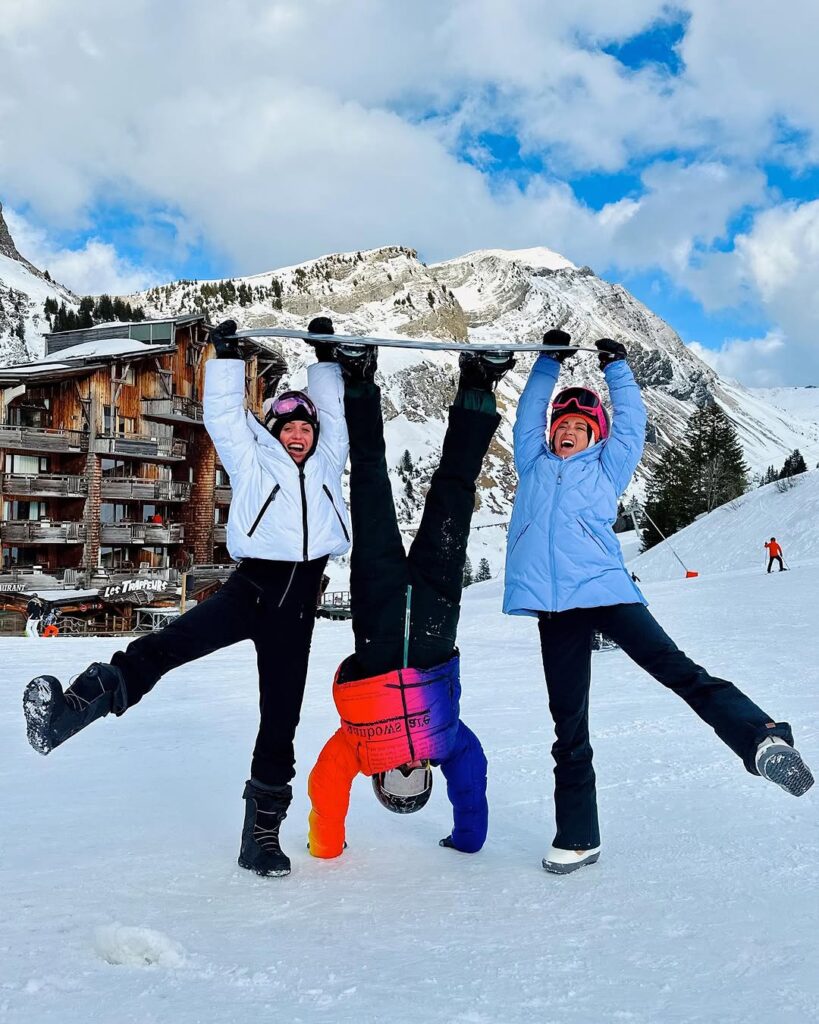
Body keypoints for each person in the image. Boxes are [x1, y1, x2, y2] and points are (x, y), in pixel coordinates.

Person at [22, 317, 350, 878]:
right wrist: (224, 357)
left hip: (297, 607)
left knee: (281, 721)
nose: (298, 436)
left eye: (306, 428)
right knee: (167, 646)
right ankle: (72, 711)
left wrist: (323, 359)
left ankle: (261, 839)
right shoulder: (252, 458)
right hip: (252, 589)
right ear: (271, 430)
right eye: (287, 426)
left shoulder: (327, 461)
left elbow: (336, 418)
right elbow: (224, 416)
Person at [504, 331, 814, 875]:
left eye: (580, 427)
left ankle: (763, 740)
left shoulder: (607, 465)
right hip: (554, 612)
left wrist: (617, 369)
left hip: (605, 592)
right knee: (567, 724)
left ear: (594, 436)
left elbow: (631, 425)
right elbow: (527, 416)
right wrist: (547, 365)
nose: (568, 432)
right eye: (563, 427)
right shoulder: (533, 462)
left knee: (678, 670)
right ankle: (578, 836)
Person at [306, 335, 513, 859]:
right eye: (410, 781)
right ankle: (362, 378)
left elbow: (471, 776)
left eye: (396, 781)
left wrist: (471, 835)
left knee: (451, 493)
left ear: (385, 780)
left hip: (427, 616)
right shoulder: (367, 750)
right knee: (375, 488)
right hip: (393, 615)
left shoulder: (440, 746)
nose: (404, 768)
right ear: (421, 777)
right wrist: (326, 845)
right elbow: (326, 788)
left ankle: (478, 385)